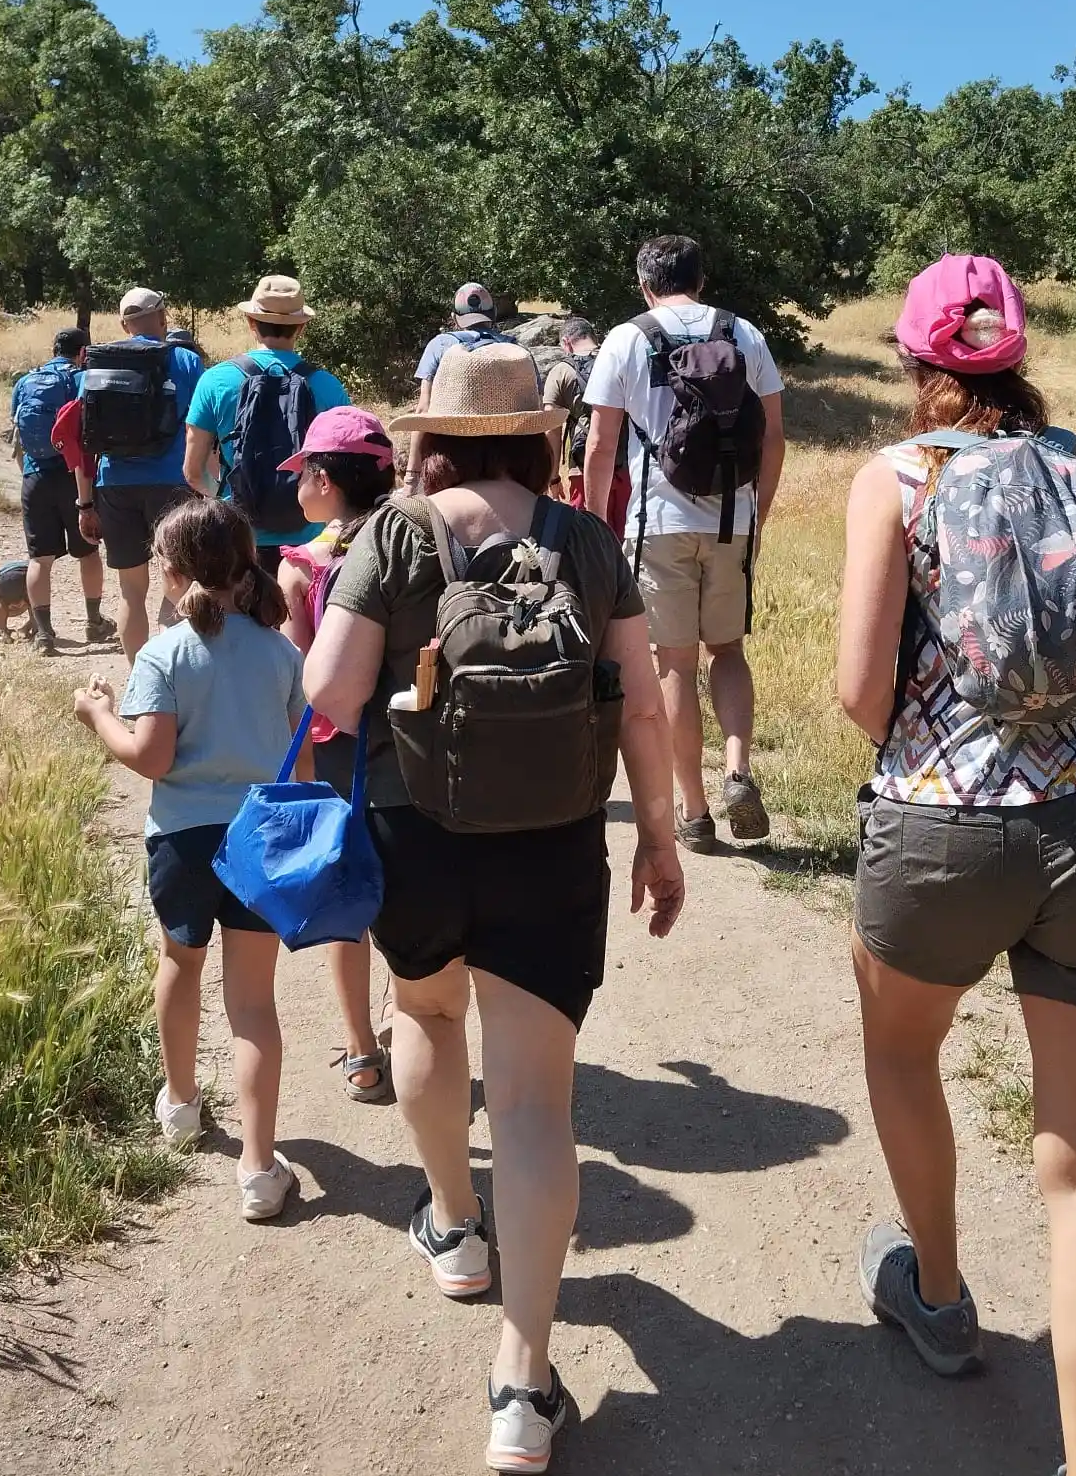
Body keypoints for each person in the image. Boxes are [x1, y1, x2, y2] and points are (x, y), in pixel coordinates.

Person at [302, 342, 684, 1475]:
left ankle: (454, 1232)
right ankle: (523, 1384)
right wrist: (658, 839)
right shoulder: (587, 541)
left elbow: (329, 695)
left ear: (433, 436)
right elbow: (647, 708)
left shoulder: (395, 533)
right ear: (536, 437)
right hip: (553, 847)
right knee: (533, 1105)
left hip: (416, 835)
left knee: (423, 1020)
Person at [837, 254, 1076, 1476]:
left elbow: (861, 690)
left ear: (921, 365)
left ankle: (934, 1285)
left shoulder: (897, 478)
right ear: (1017, 356)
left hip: (939, 828)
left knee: (903, 1045)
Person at [73, 497, 304, 1223]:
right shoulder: (280, 652)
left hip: (182, 839)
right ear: (247, 565)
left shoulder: (163, 654)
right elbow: (298, 760)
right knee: (253, 1003)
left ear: (169, 575)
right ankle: (261, 1169)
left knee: (179, 964)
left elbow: (151, 756)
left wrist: (98, 715)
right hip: (257, 838)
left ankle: (178, 1105)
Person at [581, 235, 786, 852]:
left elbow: (600, 444)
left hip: (657, 523)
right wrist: (759, 512)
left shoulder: (627, 337)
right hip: (733, 521)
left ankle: (694, 811)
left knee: (674, 662)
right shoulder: (744, 333)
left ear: (645, 282)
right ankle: (739, 768)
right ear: (701, 279)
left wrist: (595, 527)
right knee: (727, 650)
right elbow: (773, 436)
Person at [276, 405, 398, 1104]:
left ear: (324, 479)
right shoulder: (410, 543)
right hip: (404, 739)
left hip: (333, 752)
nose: (297, 486)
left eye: (303, 474)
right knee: (407, 884)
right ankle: (403, 1014)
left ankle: (361, 1049)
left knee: (345, 900)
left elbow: (302, 678)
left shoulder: (305, 568)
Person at [184, 275, 348, 577]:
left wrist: (227, 502)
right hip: (309, 545)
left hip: (239, 540)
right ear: (301, 326)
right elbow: (346, 470)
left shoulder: (215, 381)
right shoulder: (328, 386)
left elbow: (193, 472)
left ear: (251, 322)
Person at [79, 289, 205, 659]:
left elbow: (84, 435)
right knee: (179, 582)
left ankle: (139, 677)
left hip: (115, 483)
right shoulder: (184, 360)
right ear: (163, 318)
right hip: (173, 481)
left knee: (131, 591)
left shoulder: (98, 362)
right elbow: (201, 427)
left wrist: (85, 500)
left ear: (123, 324)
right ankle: (177, 671)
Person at [10, 327, 114, 653]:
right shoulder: (80, 379)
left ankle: (44, 634)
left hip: (34, 477)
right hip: (75, 476)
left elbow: (17, 434)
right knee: (88, 550)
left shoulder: (25, 381)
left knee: (40, 559)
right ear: (84, 352)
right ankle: (94, 622)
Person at [407, 283, 503, 490]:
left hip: (449, 459)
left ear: (454, 317)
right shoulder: (514, 349)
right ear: (493, 313)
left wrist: (411, 476)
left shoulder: (440, 345)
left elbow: (424, 409)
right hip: (504, 461)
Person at [543, 318, 630, 540]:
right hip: (627, 466)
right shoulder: (619, 362)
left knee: (589, 539)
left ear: (566, 342)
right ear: (593, 337)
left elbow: (551, 427)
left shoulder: (561, 371)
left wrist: (553, 477)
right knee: (627, 537)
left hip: (584, 470)